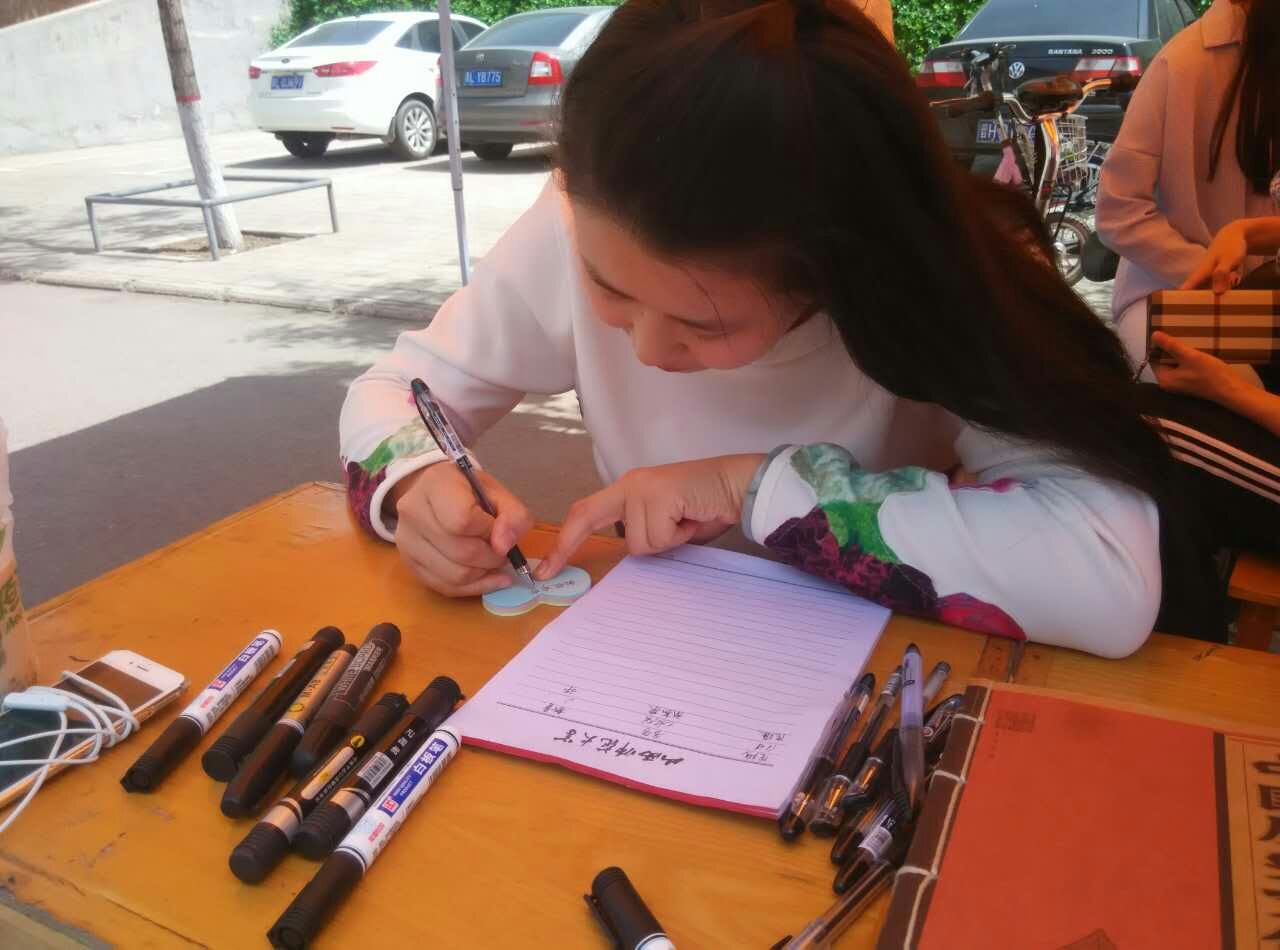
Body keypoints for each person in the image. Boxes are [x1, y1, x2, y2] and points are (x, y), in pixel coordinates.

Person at [342, 0, 1212, 657]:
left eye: (703, 324)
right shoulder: (574, 221)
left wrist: (747, 487)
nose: (645, 350)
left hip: (878, 694)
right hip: (657, 661)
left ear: (831, 274)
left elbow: (1109, 576)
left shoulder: (941, 275)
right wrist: (416, 481)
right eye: (609, 289)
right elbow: (395, 391)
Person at [1096, 0, 1278, 367]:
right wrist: (1212, 271)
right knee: (1227, 386)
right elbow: (1119, 211)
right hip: (1167, 295)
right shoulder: (1180, 63)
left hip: (1259, 297)